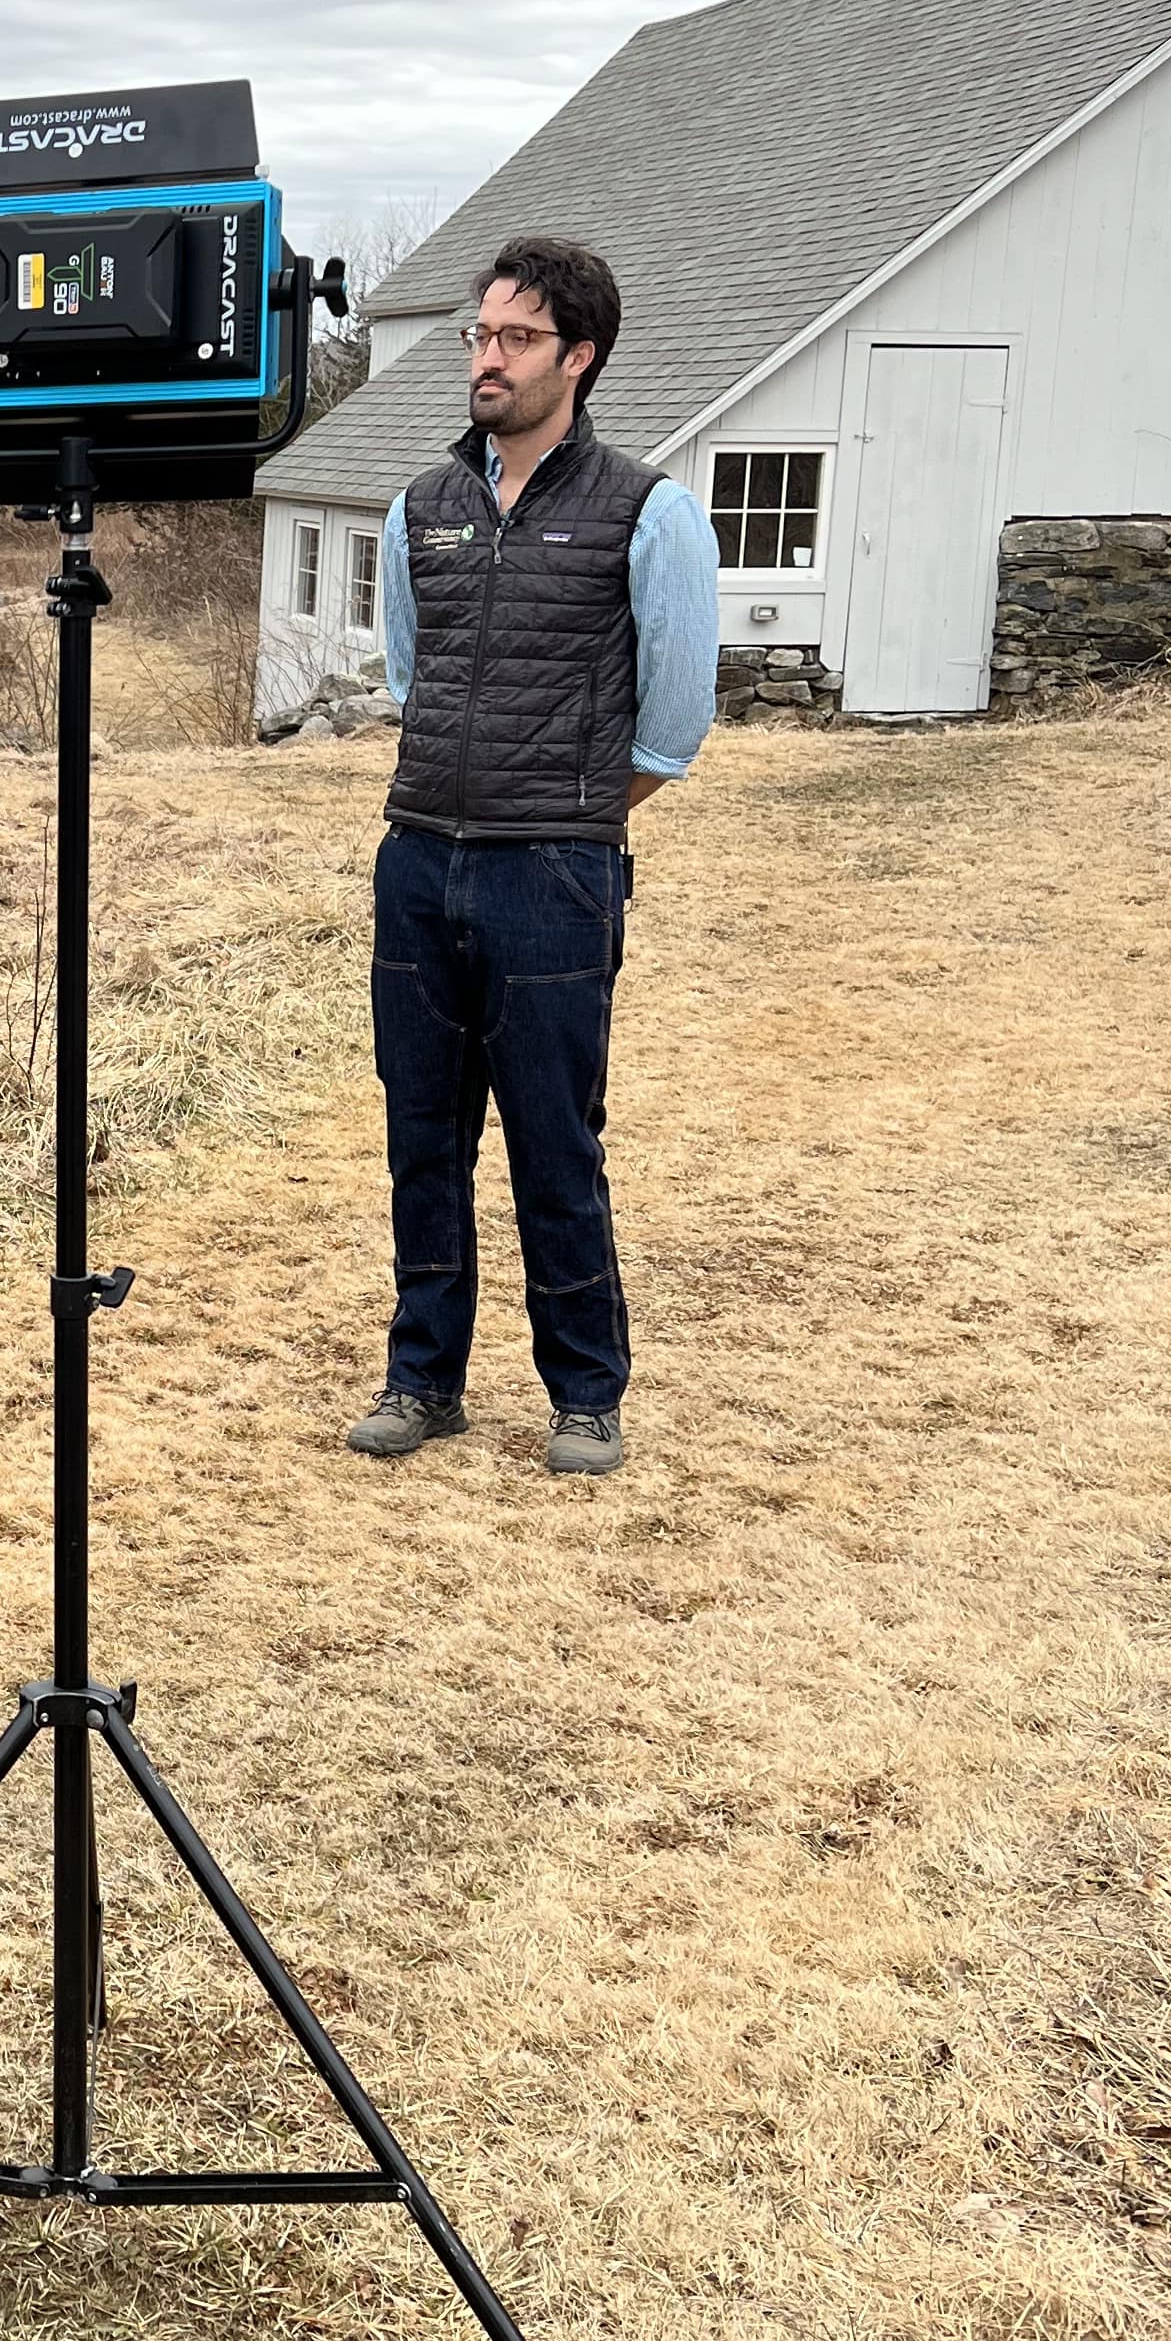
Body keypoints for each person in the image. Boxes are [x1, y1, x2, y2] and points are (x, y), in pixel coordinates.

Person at [346, 234, 719, 1477]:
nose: (489, 359)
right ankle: (423, 1380)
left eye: (517, 338)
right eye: (481, 335)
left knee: (555, 1141)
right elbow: (412, 676)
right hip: (419, 861)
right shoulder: (422, 508)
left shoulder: (648, 511)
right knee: (423, 1137)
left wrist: (568, 816)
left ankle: (585, 1395)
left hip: (554, 874)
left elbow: (673, 725)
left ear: (580, 357)